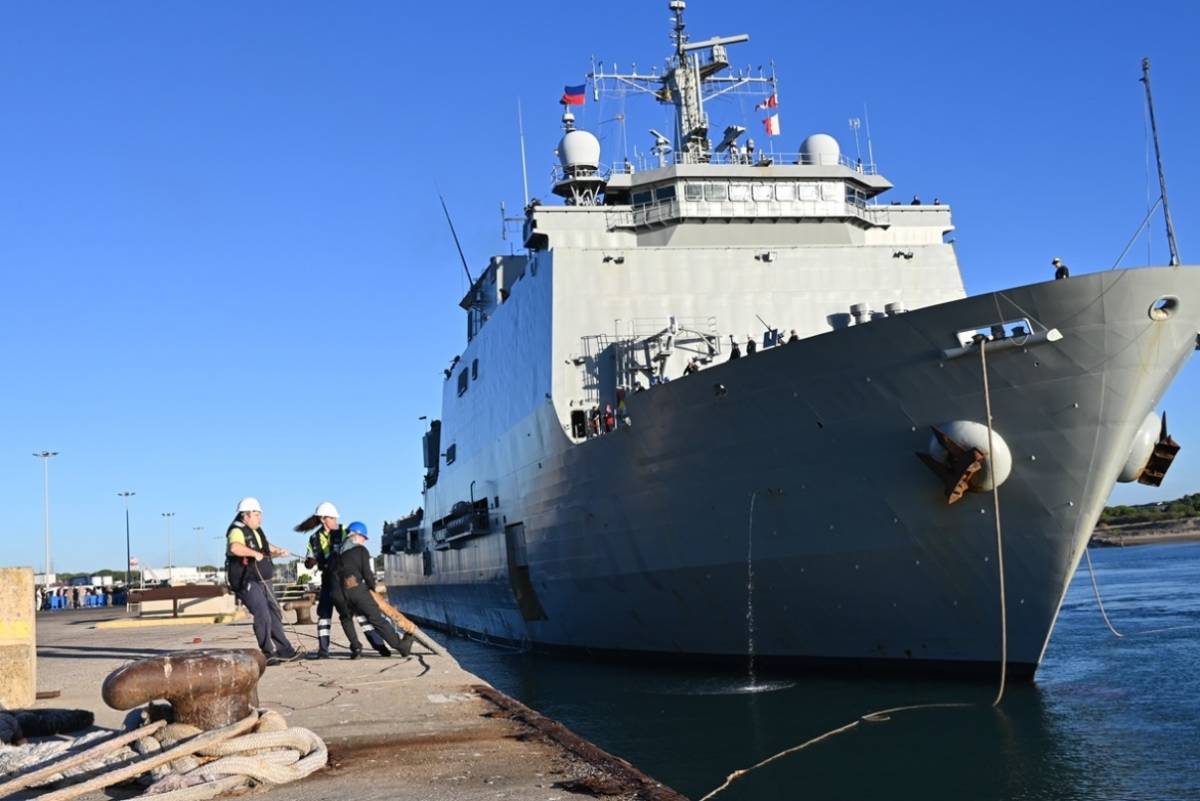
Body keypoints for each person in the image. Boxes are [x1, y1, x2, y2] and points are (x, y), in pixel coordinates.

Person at [296, 502, 390, 659]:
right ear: (323, 519)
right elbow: (309, 559)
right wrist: (310, 562)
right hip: (328, 581)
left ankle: (379, 645)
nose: (335, 521)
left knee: (360, 614)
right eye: (332, 518)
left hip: (346, 581)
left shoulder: (344, 531)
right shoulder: (314, 539)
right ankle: (323, 650)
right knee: (324, 615)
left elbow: (355, 548)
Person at [225, 497, 301, 665]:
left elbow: (265, 548)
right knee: (262, 612)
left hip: (264, 579)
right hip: (247, 580)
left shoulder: (257, 531)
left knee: (274, 612)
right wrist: (253, 554)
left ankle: (285, 650)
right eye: (257, 514)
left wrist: (278, 552)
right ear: (246, 515)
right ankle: (268, 652)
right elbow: (234, 547)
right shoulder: (236, 530)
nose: (260, 517)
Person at [336, 523, 412, 657]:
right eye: (363, 537)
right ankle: (401, 646)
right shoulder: (360, 550)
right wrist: (372, 589)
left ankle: (356, 649)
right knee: (376, 619)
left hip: (338, 592)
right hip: (356, 589)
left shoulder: (337, 551)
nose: (365, 540)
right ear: (355, 535)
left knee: (346, 619)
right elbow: (367, 573)